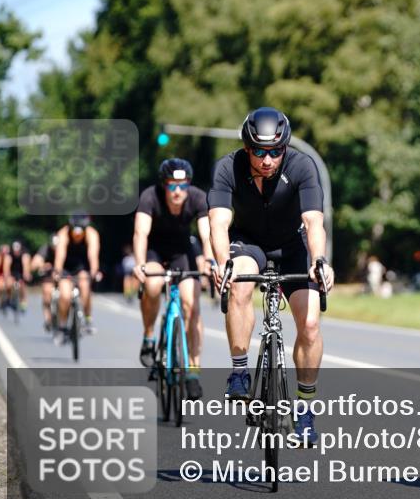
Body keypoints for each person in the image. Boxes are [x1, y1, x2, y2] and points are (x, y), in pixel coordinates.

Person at [209, 107, 334, 445]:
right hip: (249, 244)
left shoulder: (302, 166)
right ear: (247, 147)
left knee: (309, 325)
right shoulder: (227, 168)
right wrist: (223, 262)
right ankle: (239, 370)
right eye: (259, 151)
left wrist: (320, 260)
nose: (267, 159)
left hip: (293, 245)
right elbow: (219, 222)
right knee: (238, 282)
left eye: (275, 151)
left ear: (285, 147)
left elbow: (313, 222)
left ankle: (305, 409)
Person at [133, 158, 214, 400]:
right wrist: (140, 264)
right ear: (163, 185)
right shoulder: (150, 197)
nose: (177, 191)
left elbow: (207, 234)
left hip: (182, 251)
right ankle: (149, 336)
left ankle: (193, 370)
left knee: (191, 303)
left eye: (182, 186)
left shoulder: (198, 197)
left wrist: (209, 261)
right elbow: (140, 233)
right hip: (155, 251)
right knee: (153, 284)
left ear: (188, 185)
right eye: (172, 186)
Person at [53, 212, 102, 339]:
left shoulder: (92, 234)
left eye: (80, 233)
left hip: (82, 266)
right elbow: (60, 255)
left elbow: (93, 256)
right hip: (66, 267)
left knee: (85, 286)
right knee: (65, 295)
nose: (77, 236)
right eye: (75, 232)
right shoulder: (63, 233)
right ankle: (62, 325)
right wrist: (57, 271)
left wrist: (94, 271)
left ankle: (87, 319)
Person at [31, 234, 59, 331]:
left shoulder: (66, 248)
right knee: (47, 293)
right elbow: (34, 263)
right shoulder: (45, 249)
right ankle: (48, 319)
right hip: (49, 275)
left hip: (63, 274)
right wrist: (42, 265)